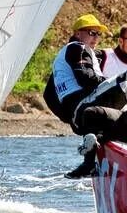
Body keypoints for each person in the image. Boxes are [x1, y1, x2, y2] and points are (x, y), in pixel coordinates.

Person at [42, 13, 111, 178]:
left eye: (98, 34)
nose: (95, 38)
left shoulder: (64, 54)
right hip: (85, 104)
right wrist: (110, 82)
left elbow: (48, 95)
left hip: (75, 110)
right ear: (78, 33)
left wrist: (69, 117)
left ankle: (89, 162)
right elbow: (85, 78)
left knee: (101, 128)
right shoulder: (78, 47)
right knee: (124, 87)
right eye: (91, 33)